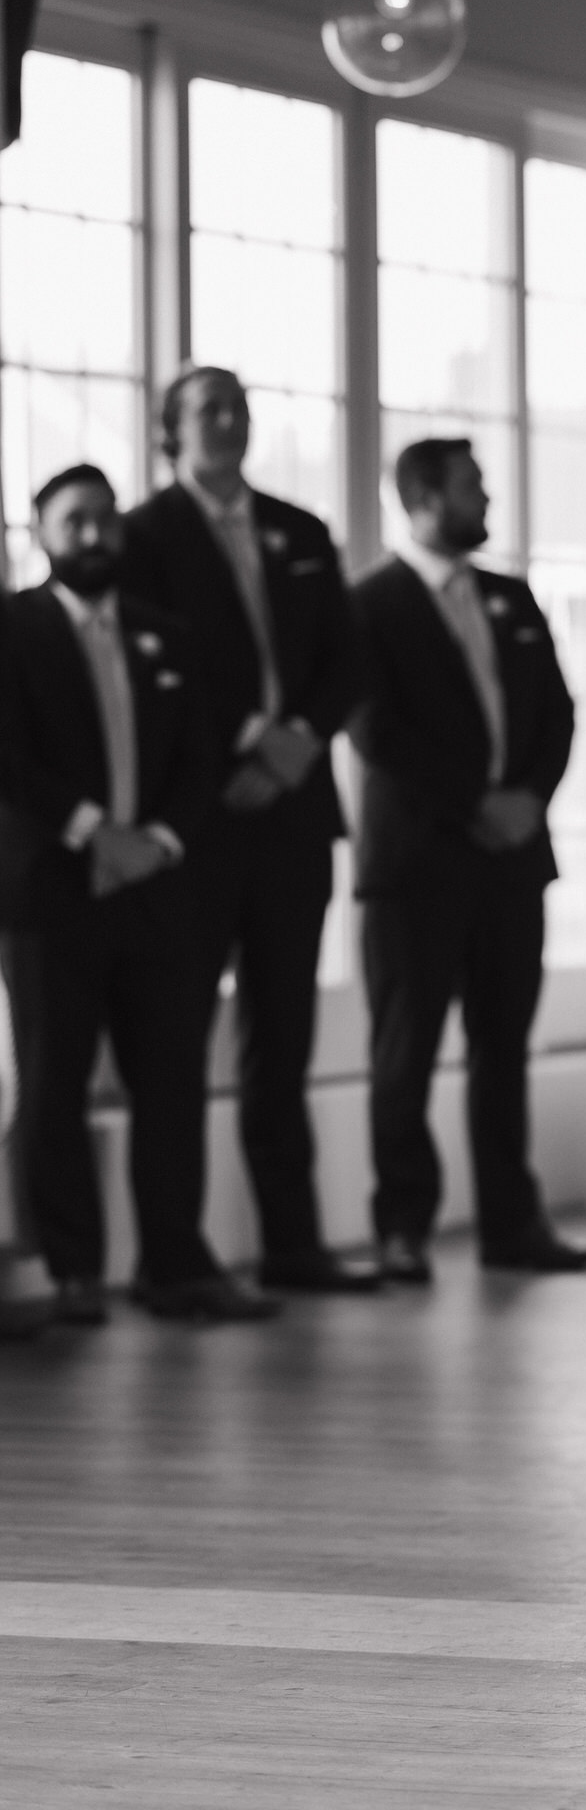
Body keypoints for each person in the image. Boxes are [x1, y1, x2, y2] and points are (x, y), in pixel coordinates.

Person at [0, 466, 276, 1324]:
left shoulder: (167, 635)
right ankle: (73, 1271)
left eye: (106, 520)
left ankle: (176, 1263)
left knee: (172, 1077)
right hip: (55, 890)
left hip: (160, 888)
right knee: (56, 1082)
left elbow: (199, 761)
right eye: (75, 520)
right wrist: (93, 832)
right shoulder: (12, 630)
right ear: (41, 532)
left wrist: (157, 841)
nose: (95, 535)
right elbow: (9, 757)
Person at [121, 368, 375, 1294]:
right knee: (174, 1042)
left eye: (239, 406)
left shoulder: (299, 531)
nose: (229, 421)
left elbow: (345, 659)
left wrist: (299, 741)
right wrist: (246, 740)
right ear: (172, 430)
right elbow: (154, 656)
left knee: (284, 1036)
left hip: (295, 816)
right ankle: (173, 1259)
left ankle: (293, 1247)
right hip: (197, 817)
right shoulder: (143, 537)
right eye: (208, 409)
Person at [349, 438, 586, 1280]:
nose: (486, 498)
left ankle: (510, 1225)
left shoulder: (509, 594)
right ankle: (403, 1228)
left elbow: (558, 713)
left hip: (513, 861)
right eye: (472, 486)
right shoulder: (370, 604)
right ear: (423, 497)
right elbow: (377, 731)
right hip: (416, 866)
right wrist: (475, 804)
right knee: (404, 1053)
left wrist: (527, 798)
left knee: (505, 1047)